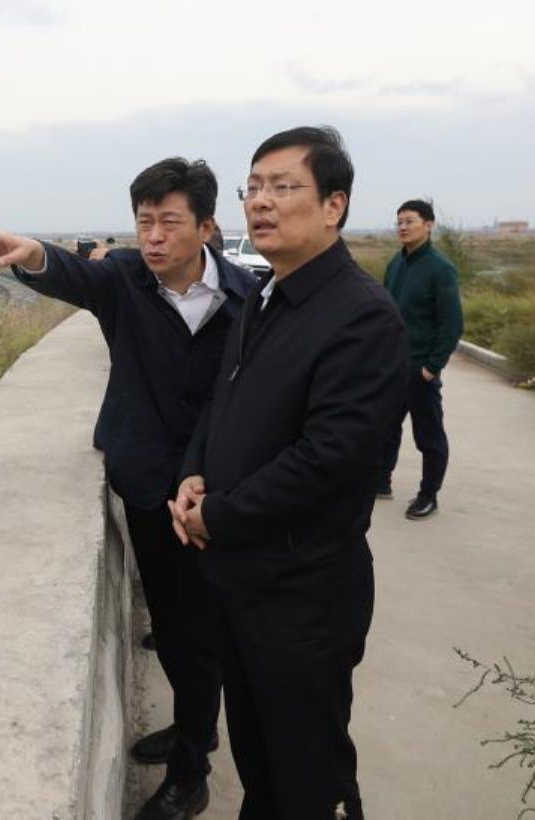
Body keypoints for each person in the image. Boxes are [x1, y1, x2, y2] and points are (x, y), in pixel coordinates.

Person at [0, 157, 255, 820]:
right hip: (148, 486)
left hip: (213, 498)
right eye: (143, 222)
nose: (152, 236)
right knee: (175, 628)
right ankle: (193, 727)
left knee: (202, 633)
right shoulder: (126, 279)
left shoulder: (247, 299)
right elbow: (71, 273)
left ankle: (192, 768)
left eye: (169, 222)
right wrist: (30, 252)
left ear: (206, 227)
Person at [170, 126, 407, 819]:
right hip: (241, 581)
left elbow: (329, 461)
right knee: (258, 760)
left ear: (334, 205)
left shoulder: (362, 317)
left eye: (282, 186)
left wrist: (217, 516)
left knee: (309, 774)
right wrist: (194, 472)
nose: (261, 202)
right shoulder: (265, 296)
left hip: (303, 597)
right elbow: (224, 399)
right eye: (253, 188)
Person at [377, 199, 464, 520]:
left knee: (429, 437)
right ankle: (380, 481)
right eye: (399, 221)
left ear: (428, 225)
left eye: (409, 221)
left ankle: (429, 495)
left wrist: (432, 367)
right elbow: (385, 313)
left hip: (420, 370)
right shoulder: (395, 264)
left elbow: (452, 324)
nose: (402, 227)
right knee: (384, 428)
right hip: (392, 367)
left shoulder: (440, 269)